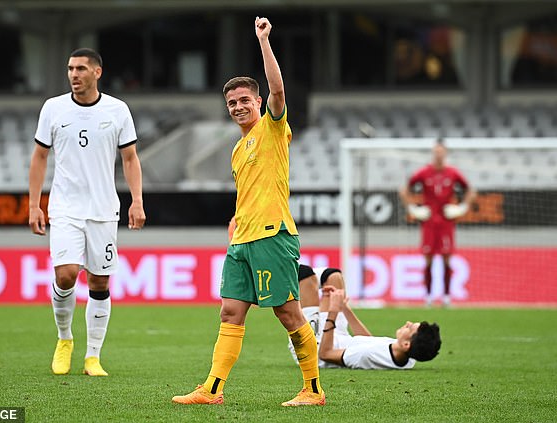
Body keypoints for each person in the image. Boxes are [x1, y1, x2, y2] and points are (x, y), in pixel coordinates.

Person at [172, 17, 325, 407]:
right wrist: (237, 220)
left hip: (272, 235)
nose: (238, 107)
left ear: (258, 102)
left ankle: (313, 390)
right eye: (232, 103)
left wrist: (263, 40)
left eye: (244, 100)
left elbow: (278, 87)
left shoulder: (273, 129)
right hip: (242, 239)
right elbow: (252, 190)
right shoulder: (238, 150)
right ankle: (212, 390)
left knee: (288, 314)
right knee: (229, 312)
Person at [28, 47, 146, 377]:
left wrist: (136, 200)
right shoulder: (53, 108)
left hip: (103, 210)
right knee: (65, 274)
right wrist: (34, 204)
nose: (73, 74)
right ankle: (64, 339)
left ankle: (93, 356)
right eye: (70, 68)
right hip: (65, 208)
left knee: (99, 280)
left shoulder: (117, 110)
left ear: (97, 72)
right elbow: (39, 157)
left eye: (80, 68)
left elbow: (130, 158)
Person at [290, 265, 441, 369]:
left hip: (313, 349)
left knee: (304, 275)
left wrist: (334, 312)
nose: (407, 323)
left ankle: (270, 274)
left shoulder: (365, 356)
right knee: (333, 276)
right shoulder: (407, 358)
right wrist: (344, 307)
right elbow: (368, 340)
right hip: (338, 336)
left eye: (410, 327)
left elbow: (325, 354)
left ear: (407, 345)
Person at [398, 139, 476, 307]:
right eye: (436, 152)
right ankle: (428, 297)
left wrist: (462, 208)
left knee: (447, 259)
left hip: (446, 223)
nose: (439, 155)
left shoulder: (453, 173)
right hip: (429, 224)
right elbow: (404, 191)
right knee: (428, 260)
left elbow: (470, 190)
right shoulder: (424, 173)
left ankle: (447, 297)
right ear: (433, 153)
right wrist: (413, 209)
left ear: (445, 153)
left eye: (441, 152)